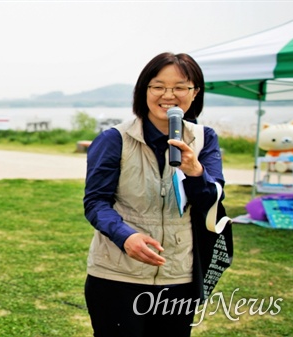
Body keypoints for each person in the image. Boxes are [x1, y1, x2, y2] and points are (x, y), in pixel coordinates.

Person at [82, 52, 226, 336]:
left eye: (180, 87)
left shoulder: (205, 138)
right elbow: (96, 202)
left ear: (195, 93)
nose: (168, 95)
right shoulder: (114, 139)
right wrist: (126, 237)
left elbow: (213, 201)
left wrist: (196, 172)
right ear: (144, 91)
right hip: (117, 274)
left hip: (180, 274)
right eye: (158, 86)